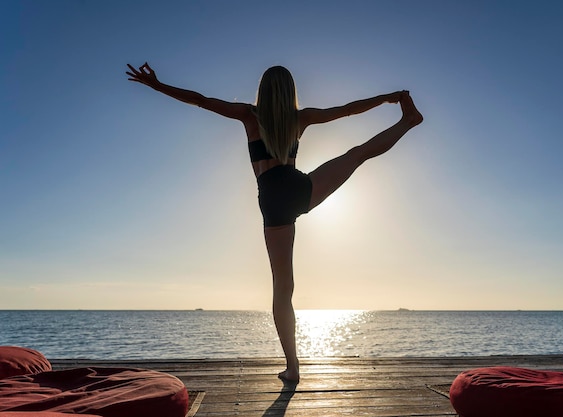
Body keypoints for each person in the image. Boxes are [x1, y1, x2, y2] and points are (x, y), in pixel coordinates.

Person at [126, 63, 423, 383]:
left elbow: (199, 99)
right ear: (290, 90)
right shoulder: (300, 118)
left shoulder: (249, 115)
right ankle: (407, 122)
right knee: (357, 153)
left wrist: (157, 86)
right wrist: (387, 97)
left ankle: (293, 367)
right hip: (300, 190)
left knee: (283, 289)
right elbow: (347, 110)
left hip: (272, 203)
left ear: (263, 90)